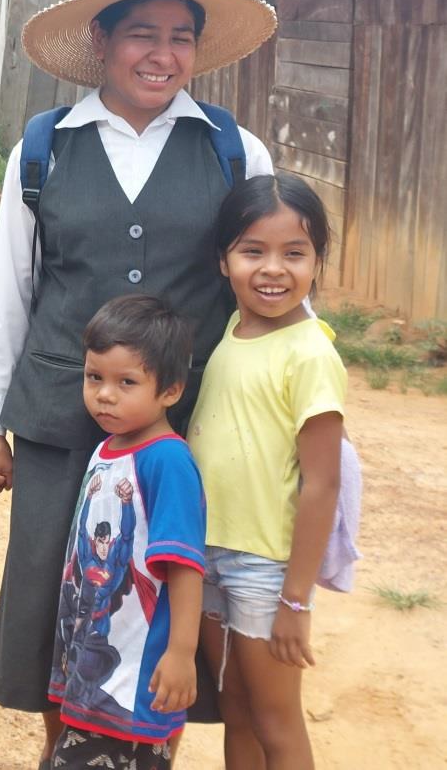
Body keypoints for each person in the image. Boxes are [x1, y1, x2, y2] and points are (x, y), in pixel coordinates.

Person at [0, 0, 278, 766]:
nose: (161, 55)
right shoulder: (45, 148)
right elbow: (10, 292)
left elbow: (270, 281)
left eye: (179, 37)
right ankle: (66, 753)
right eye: (142, 34)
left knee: (162, 603)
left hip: (181, 433)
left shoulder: (231, 152)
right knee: (56, 607)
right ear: (100, 40)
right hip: (60, 423)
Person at [189, 174, 344, 770]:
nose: (272, 269)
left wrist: (296, 601)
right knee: (237, 713)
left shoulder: (311, 354)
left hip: (265, 570)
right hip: (208, 556)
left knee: (277, 722)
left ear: (317, 261)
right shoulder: (233, 327)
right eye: (253, 251)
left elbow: (322, 483)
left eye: (294, 253)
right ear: (223, 260)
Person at [46, 294, 205, 770]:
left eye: (126, 382)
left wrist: (181, 653)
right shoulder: (106, 450)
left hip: (136, 674)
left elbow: (184, 567)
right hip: (95, 665)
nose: (105, 394)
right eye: (95, 377)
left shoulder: (168, 461)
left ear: (171, 391)